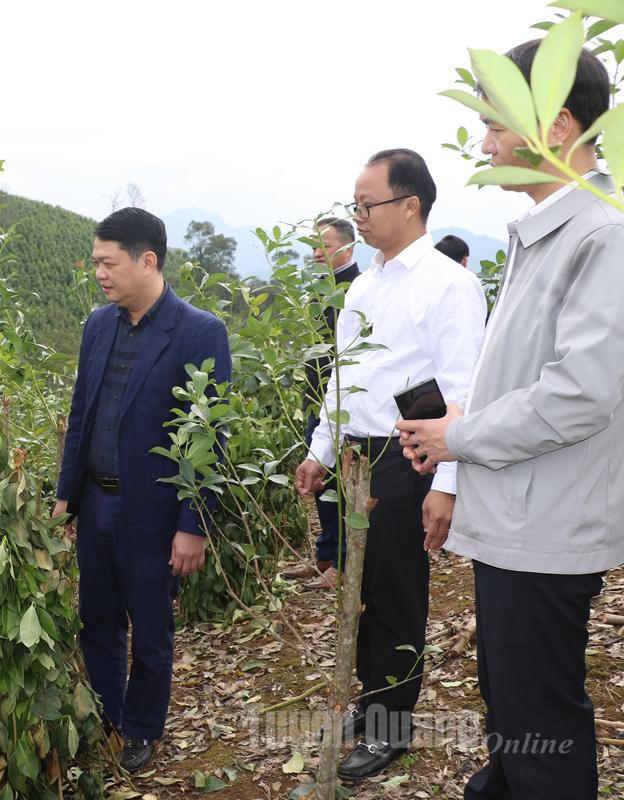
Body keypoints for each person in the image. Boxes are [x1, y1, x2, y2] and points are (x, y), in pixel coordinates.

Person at [398, 41, 623, 800]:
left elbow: (580, 394)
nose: (486, 145)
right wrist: (464, 416)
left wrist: (458, 435)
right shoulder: (548, 232)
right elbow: (533, 374)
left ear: (557, 125)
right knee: (515, 710)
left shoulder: (603, 233)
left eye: (496, 125)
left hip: (546, 527)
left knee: (542, 728)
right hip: (522, 521)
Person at [294, 149, 486, 779]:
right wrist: (322, 449)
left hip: (411, 455)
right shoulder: (364, 286)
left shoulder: (448, 285)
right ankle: (371, 697)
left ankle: (390, 725)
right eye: (356, 204)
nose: (360, 215)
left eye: (368, 204)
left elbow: (462, 392)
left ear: (411, 205)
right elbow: (344, 376)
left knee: (399, 590)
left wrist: (447, 483)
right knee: (363, 585)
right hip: (357, 458)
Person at [53, 207, 231, 772]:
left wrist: (192, 524)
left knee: (151, 627)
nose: (99, 273)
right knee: (98, 619)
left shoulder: (198, 332)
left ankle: (141, 727)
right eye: (96, 262)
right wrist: (67, 495)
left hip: (151, 510)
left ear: (146, 260)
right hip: (98, 499)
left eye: (108, 262)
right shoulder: (98, 325)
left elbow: (208, 436)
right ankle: (107, 716)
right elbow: (82, 413)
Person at [283, 217, 361, 590]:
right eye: (314, 246)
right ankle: (325, 556)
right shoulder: (322, 288)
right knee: (319, 483)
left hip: (342, 405)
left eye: (324, 246)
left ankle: (343, 564)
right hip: (317, 399)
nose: (316, 253)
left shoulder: (356, 288)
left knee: (340, 490)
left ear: (348, 247)